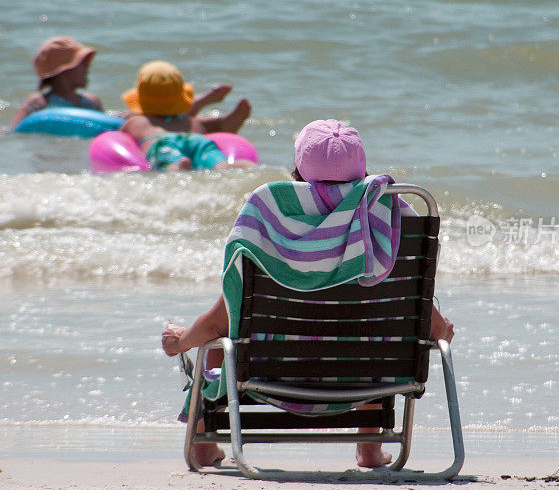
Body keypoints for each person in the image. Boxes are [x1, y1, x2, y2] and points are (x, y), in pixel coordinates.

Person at [161, 119, 455, 468]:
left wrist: (182, 341)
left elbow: (221, 321)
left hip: (270, 375)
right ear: (362, 168)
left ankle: (204, 445)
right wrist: (442, 327)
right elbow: (423, 321)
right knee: (371, 337)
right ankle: (370, 448)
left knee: (222, 340)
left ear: (299, 170)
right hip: (365, 379)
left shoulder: (270, 216)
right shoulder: (392, 221)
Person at [120, 60, 254, 171]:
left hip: (163, 143)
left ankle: (177, 166)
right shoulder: (189, 121)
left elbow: (117, 134)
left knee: (171, 165)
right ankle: (243, 165)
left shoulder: (135, 120)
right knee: (222, 167)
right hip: (196, 139)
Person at [10, 36, 103, 128]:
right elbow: (14, 130)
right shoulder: (39, 102)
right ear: (64, 70)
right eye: (82, 63)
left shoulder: (92, 103)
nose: (87, 67)